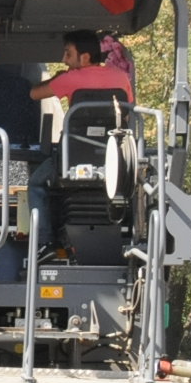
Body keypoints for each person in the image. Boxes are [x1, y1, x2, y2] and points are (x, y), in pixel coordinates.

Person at [26, 31, 136, 253]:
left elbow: (34, 94)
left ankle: (45, 242)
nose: (65, 59)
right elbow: (127, 111)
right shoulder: (121, 78)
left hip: (73, 157)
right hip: (112, 158)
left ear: (84, 57)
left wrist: (57, 77)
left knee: (36, 184)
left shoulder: (70, 78)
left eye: (68, 54)